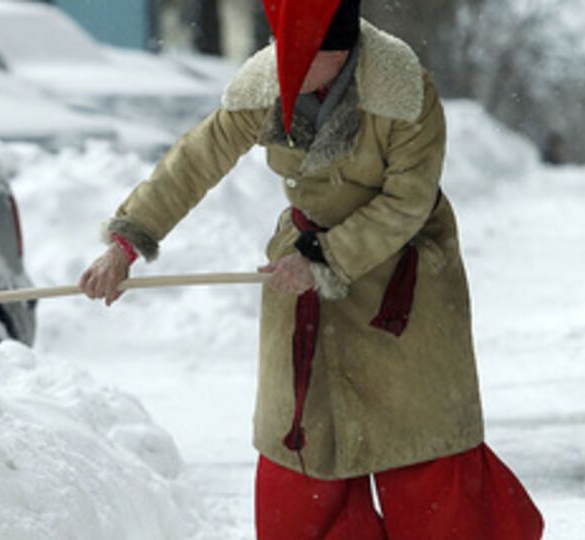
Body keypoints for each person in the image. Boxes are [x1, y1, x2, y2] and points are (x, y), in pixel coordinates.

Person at [79, 0, 544, 538]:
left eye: (302, 59)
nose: (287, 71)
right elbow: (197, 160)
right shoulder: (267, 83)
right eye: (284, 54)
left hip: (401, 279)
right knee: (303, 450)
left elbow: (408, 202)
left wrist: (325, 257)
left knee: (421, 455)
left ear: (340, 53)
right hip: (303, 276)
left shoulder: (403, 90)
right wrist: (126, 244)